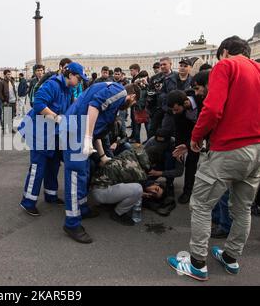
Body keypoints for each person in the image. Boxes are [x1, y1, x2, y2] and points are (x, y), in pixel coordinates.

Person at [167, 36, 260, 282]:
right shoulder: (258, 69)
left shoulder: (226, 65)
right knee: (243, 209)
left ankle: (197, 263)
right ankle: (231, 257)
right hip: (256, 150)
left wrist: (196, 137)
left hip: (229, 149)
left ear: (225, 51)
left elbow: (212, 108)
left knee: (200, 205)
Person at [60, 83, 140, 244]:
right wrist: (88, 138)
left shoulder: (114, 97)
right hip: (76, 133)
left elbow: (98, 126)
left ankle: (82, 208)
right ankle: (72, 223)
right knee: (75, 177)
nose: (130, 106)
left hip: (79, 132)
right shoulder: (120, 92)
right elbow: (94, 106)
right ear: (133, 97)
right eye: (133, 103)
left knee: (83, 173)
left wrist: (102, 156)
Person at [19, 62, 86, 217]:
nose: (80, 82)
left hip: (52, 134)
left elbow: (69, 108)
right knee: (38, 168)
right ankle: (27, 202)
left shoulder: (68, 89)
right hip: (38, 133)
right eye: (79, 78)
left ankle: (51, 195)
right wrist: (56, 117)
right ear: (70, 75)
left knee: (53, 165)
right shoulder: (52, 85)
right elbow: (38, 104)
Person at [167, 90, 200, 205]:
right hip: (190, 138)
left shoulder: (201, 101)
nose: (174, 112)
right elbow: (179, 131)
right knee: (191, 163)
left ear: (185, 103)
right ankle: (187, 192)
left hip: (210, 135)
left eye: (176, 109)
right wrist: (179, 148)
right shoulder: (178, 114)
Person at [144, 129, 185, 216]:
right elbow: (141, 156)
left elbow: (179, 172)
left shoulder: (177, 147)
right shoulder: (152, 141)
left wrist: (160, 173)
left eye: (162, 143)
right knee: (144, 181)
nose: (159, 145)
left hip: (166, 166)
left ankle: (169, 184)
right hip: (154, 165)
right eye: (158, 142)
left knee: (170, 156)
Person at [0, 70, 18, 134]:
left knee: (12, 116)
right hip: (7, 102)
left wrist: (16, 100)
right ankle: (3, 129)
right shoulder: (2, 82)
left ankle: (11, 128)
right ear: (5, 75)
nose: (9, 75)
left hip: (13, 101)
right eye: (8, 74)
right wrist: (3, 100)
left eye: (10, 74)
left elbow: (13, 91)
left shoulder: (12, 81)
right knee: (6, 116)